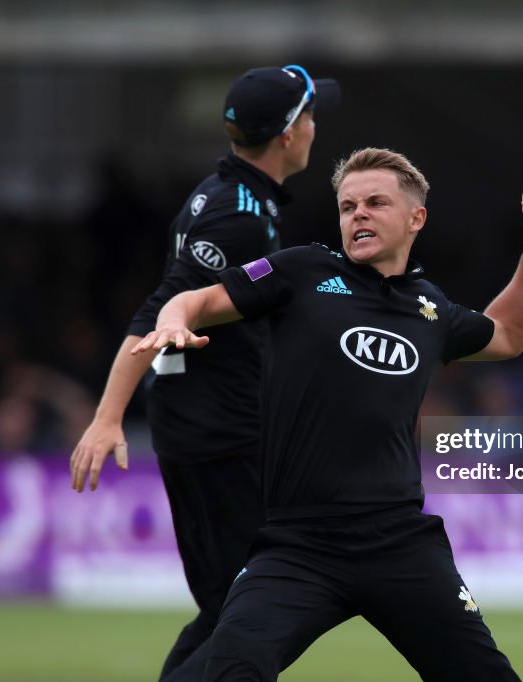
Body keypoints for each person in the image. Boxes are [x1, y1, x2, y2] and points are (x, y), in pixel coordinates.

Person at [134, 147, 523, 681]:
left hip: (399, 545)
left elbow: (508, 334)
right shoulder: (302, 271)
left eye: (375, 202)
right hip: (298, 546)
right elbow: (195, 301)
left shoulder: (428, 307)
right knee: (229, 669)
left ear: (416, 218)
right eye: (347, 206)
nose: (357, 214)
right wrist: (173, 323)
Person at [68, 65, 340, 679]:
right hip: (216, 433)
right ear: (290, 134)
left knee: (234, 606)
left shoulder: (236, 198)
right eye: (311, 115)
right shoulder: (235, 216)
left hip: (221, 424)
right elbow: (157, 311)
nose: (318, 126)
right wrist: (108, 417)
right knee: (257, 607)